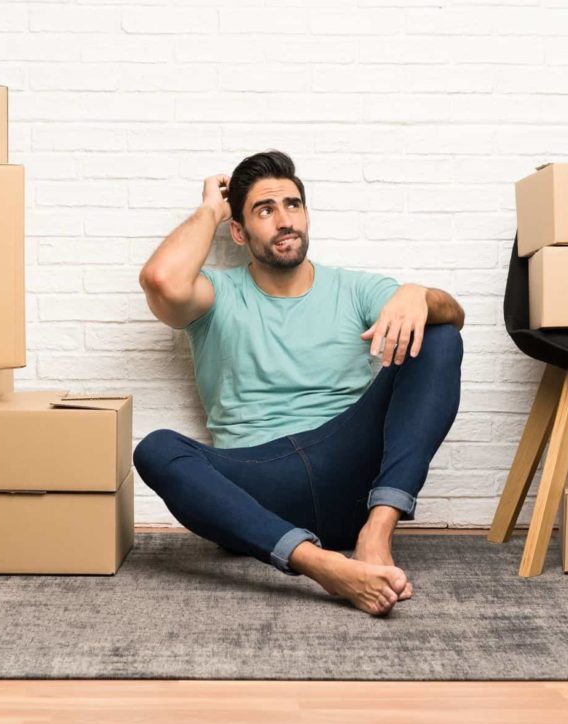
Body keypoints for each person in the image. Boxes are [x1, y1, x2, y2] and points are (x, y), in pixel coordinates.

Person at [135, 150, 464, 616]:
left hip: (348, 468)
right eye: (264, 211)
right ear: (238, 231)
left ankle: (377, 532)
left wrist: (418, 294)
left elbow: (453, 317)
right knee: (156, 449)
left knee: (439, 336)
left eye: (292, 205)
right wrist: (210, 208)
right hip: (259, 489)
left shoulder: (353, 289)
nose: (284, 220)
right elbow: (161, 279)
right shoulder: (217, 291)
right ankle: (322, 565)